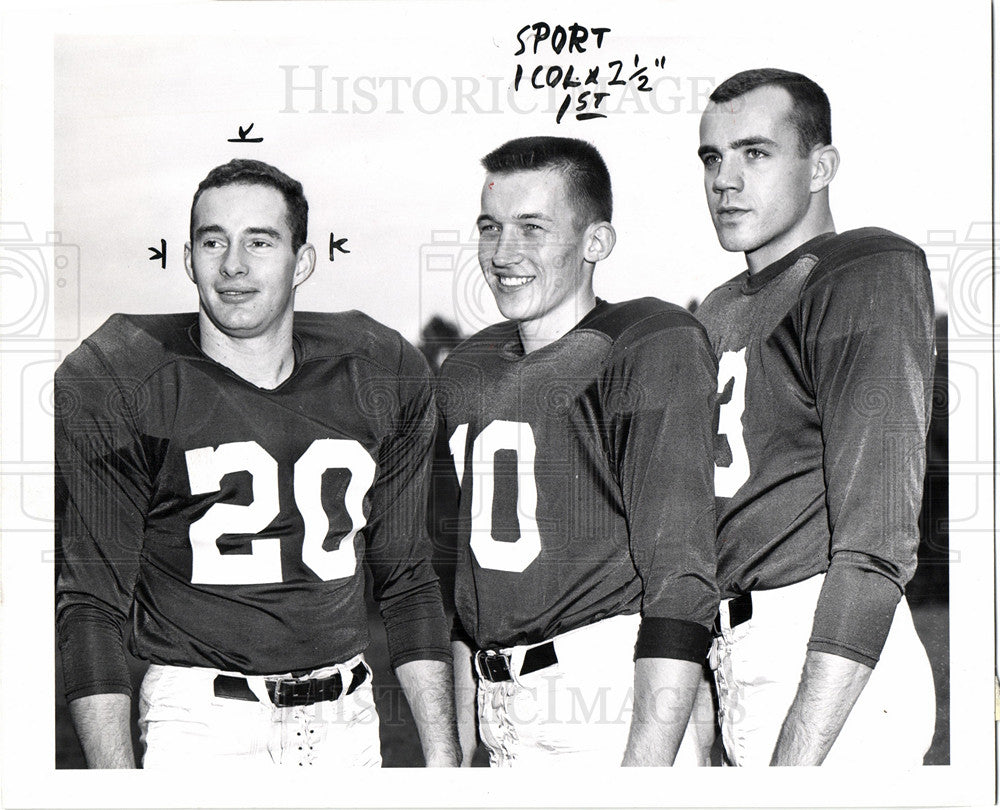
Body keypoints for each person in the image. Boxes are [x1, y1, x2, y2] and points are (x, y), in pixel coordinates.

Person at [55, 158, 460, 769]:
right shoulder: (123, 377)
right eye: (212, 241)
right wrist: (116, 788)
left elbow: (406, 577)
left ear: (302, 262)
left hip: (348, 722)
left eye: (259, 242)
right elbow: (91, 603)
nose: (233, 265)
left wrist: (444, 759)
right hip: (202, 724)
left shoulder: (379, 371)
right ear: (188, 259)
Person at [438, 136, 719, 767]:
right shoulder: (468, 368)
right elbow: (460, 591)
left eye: (532, 229)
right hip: (500, 707)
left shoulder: (647, 342)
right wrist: (455, 755)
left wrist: (642, 775)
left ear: (596, 243)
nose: (503, 253)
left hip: (607, 699)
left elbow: (681, 581)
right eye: (490, 228)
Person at [694, 68, 936, 766]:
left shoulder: (861, 270)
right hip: (738, 652)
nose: (725, 180)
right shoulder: (720, 306)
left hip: (827, 657)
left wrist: (797, 762)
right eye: (713, 158)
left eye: (755, 153)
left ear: (820, 166)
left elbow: (877, 543)